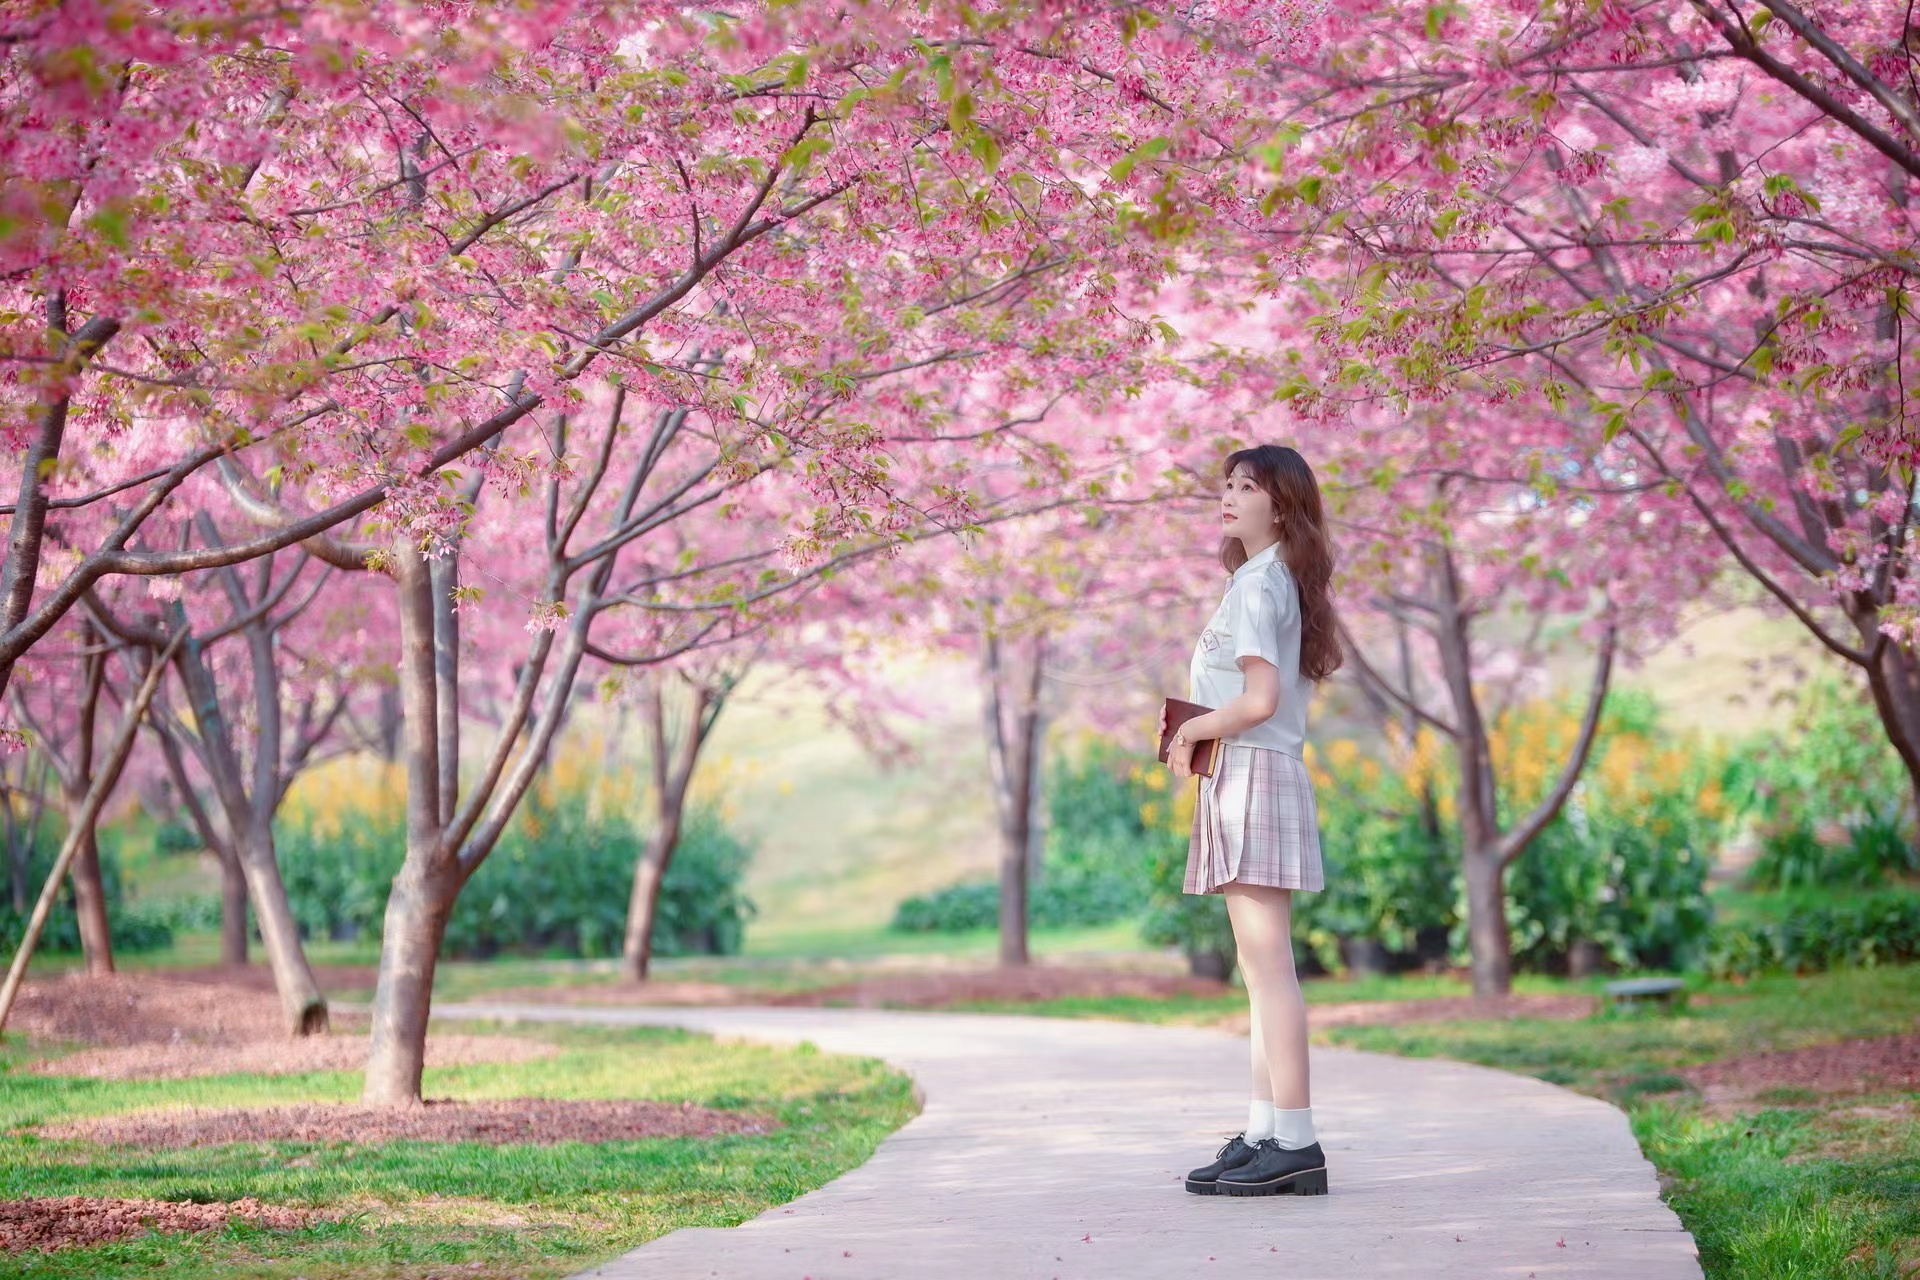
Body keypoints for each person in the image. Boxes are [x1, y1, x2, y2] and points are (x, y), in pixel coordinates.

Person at [1162, 443, 1341, 1198]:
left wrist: (1192, 731)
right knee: (1256, 970)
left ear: (1283, 504)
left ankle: (1295, 1138)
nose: (1228, 496)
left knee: (1269, 970)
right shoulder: (1256, 580)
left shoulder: (1261, 585)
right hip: (1246, 777)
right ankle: (1266, 1130)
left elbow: (1260, 702)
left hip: (1253, 774)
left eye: (1248, 486)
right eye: (1226, 484)